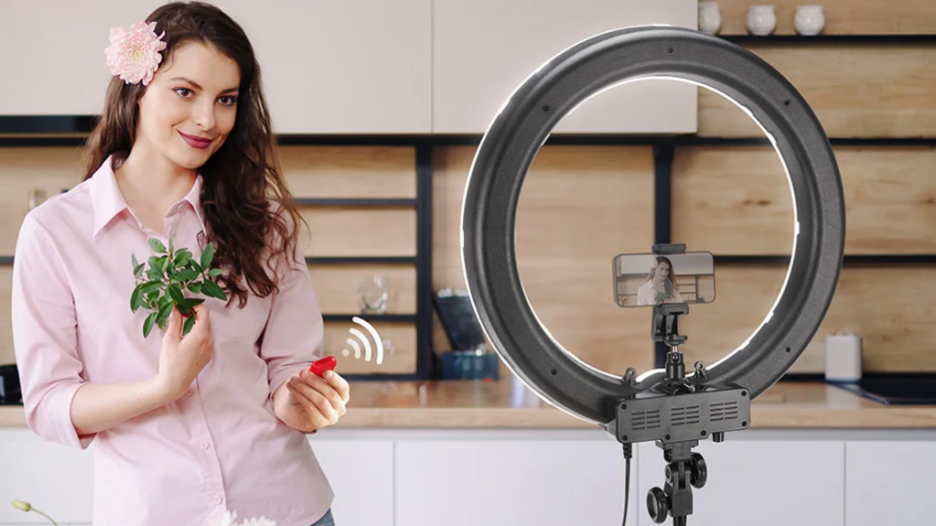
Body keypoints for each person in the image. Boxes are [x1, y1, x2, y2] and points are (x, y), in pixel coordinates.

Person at [11, 3, 347, 525]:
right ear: (137, 88)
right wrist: (163, 388)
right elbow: (49, 403)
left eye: (226, 99)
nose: (208, 120)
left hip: (284, 509)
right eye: (185, 92)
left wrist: (300, 401)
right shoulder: (56, 233)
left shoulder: (265, 225)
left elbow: (288, 365)